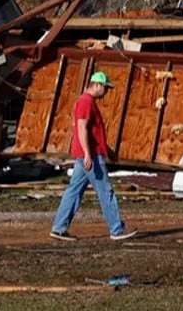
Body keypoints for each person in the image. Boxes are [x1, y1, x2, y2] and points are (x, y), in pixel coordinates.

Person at [50, 71, 137, 241]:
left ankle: (59, 228)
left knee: (74, 191)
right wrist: (89, 154)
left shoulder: (85, 102)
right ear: (97, 85)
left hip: (86, 155)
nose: (106, 92)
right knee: (105, 191)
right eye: (106, 88)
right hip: (90, 156)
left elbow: (92, 133)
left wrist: (108, 150)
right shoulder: (86, 102)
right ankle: (117, 229)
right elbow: (82, 128)